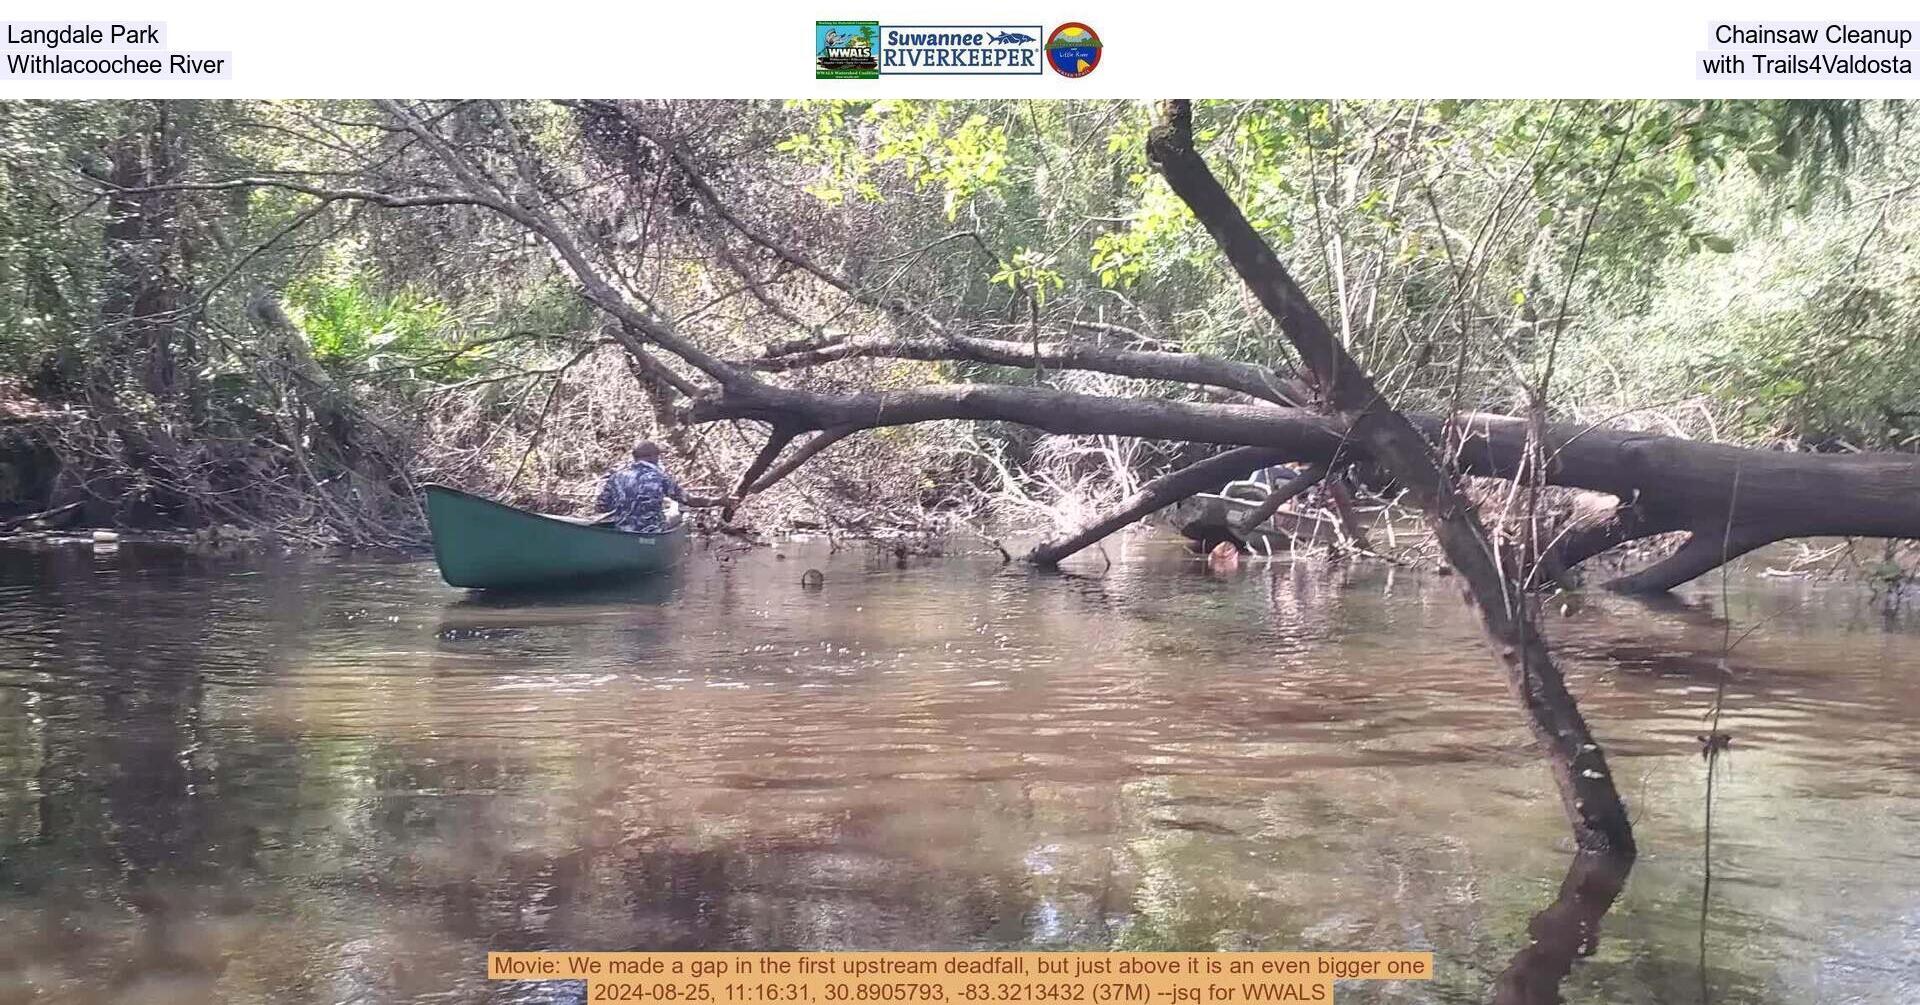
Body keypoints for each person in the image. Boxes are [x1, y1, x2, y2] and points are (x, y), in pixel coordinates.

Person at [597, 440, 688, 534]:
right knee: (677, 516)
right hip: (653, 532)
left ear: (634, 457)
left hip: (623, 531)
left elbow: (601, 508)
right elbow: (686, 499)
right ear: (653, 457)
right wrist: (703, 502)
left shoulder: (616, 477)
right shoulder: (660, 476)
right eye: (658, 456)